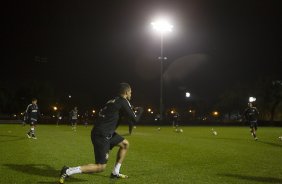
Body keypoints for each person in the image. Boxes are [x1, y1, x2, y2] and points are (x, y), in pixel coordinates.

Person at [59, 83, 143, 184]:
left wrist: (132, 109)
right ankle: (68, 170)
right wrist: (140, 111)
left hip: (104, 132)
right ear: (126, 92)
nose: (131, 94)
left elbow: (122, 110)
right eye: (130, 92)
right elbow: (134, 119)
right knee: (100, 167)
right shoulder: (123, 101)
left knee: (125, 144)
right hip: (102, 135)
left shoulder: (113, 101)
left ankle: (115, 172)